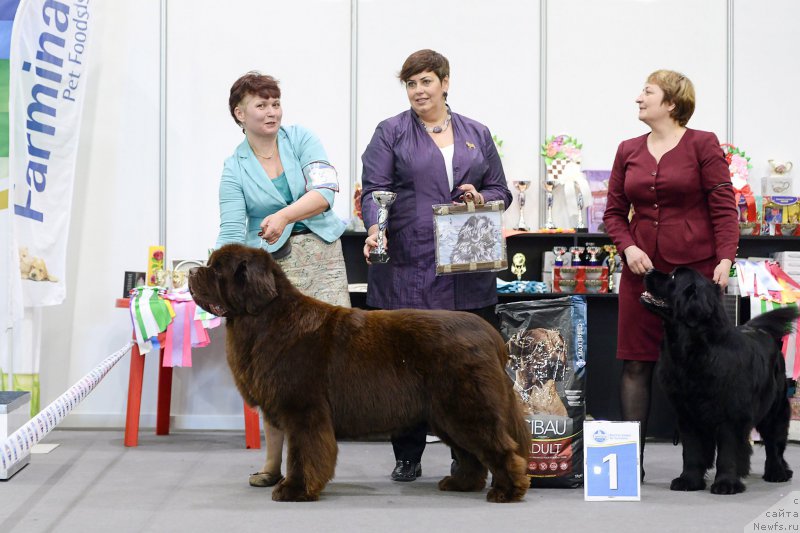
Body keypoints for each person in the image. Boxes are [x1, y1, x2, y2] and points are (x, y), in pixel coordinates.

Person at [360, 49, 512, 482]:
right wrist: (376, 229)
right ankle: (407, 454)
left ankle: (467, 456)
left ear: (445, 81)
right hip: (409, 263)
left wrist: (483, 198)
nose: (418, 91)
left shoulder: (477, 132)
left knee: (464, 368)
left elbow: (501, 188)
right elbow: (376, 189)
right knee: (404, 367)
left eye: (426, 81)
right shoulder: (390, 132)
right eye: (411, 83)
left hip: (466, 264)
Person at [216, 71, 351, 488]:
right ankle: (273, 463)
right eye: (261, 104)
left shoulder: (301, 138)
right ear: (240, 113)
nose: (272, 111)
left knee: (334, 360)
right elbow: (231, 233)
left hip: (324, 256)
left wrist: (285, 215)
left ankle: (314, 462)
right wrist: (215, 279)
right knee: (274, 370)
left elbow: (327, 191)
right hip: (274, 274)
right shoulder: (233, 168)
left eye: (275, 103)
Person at [602, 69, 739, 479]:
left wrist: (726, 258)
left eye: (647, 92)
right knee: (635, 364)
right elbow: (613, 212)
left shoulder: (703, 143)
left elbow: (723, 206)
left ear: (672, 103)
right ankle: (628, 466)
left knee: (703, 365)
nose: (638, 98)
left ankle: (700, 467)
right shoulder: (627, 148)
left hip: (694, 275)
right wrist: (627, 246)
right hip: (641, 274)